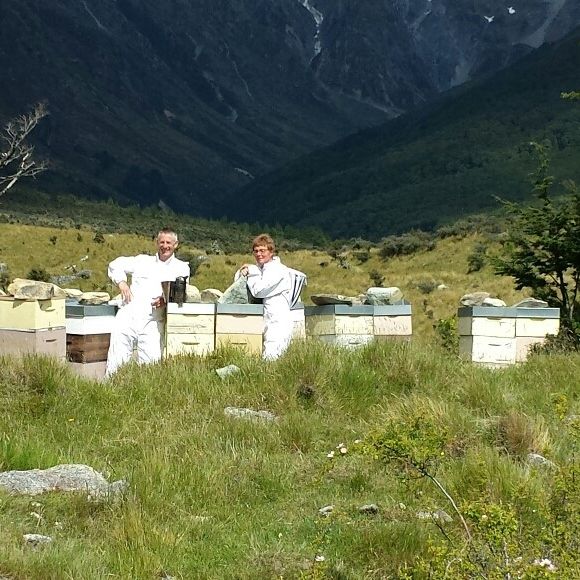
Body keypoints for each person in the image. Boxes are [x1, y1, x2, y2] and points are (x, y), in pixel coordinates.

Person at [105, 228, 190, 376]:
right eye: (162, 242)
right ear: (157, 243)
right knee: (116, 361)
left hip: (153, 321)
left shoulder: (181, 267)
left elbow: (179, 292)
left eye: (168, 242)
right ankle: (110, 393)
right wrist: (122, 283)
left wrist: (165, 300)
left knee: (151, 366)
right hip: (128, 316)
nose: (165, 246)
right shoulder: (142, 261)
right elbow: (115, 264)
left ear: (176, 244)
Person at [236, 233, 305, 360]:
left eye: (262, 250)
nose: (259, 254)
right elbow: (238, 287)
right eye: (256, 251)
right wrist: (244, 271)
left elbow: (258, 290)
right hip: (267, 316)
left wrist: (252, 272)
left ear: (271, 252)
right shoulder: (262, 268)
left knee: (272, 357)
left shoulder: (277, 270)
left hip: (278, 318)